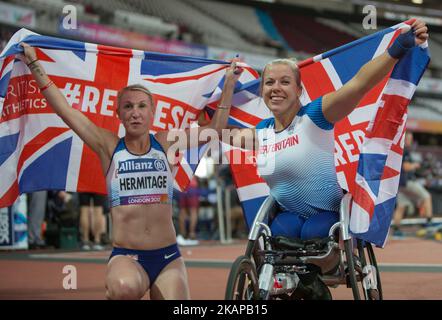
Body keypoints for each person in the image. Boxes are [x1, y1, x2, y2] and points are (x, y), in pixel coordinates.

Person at [20, 43, 242, 299]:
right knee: (124, 288)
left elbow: (215, 129)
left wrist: (228, 84)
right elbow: (66, 112)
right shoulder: (108, 145)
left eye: (141, 106)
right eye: (128, 107)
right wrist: (35, 65)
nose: (135, 113)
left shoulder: (167, 141)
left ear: (152, 111)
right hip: (128, 257)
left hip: (168, 256)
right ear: (119, 113)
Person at [225, 20, 429, 299]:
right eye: (269, 82)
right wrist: (226, 89)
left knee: (312, 233)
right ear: (262, 91)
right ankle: (301, 286)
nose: (275, 88)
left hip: (327, 216)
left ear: (299, 89)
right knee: (276, 237)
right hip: (287, 215)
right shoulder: (262, 132)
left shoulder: (315, 115)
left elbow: (358, 84)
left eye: (285, 82)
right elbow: (220, 134)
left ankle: (311, 283)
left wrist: (395, 51)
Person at [392, 132, 434, 238]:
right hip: (407, 182)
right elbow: (406, 167)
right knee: (427, 197)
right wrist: (415, 165)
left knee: (401, 206)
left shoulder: (400, 149)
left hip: (401, 184)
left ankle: (396, 230)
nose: (410, 141)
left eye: (411, 139)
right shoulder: (405, 150)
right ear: (405, 140)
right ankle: (428, 224)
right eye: (409, 139)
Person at [176, 176, 200, 246]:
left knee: (182, 212)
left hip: (182, 184)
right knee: (193, 211)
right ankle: (191, 234)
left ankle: (182, 235)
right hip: (191, 186)